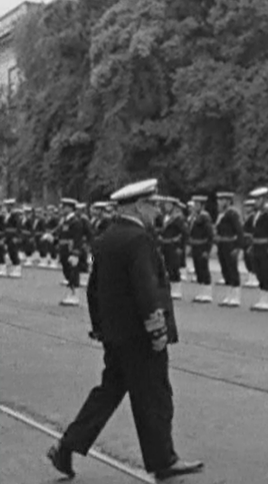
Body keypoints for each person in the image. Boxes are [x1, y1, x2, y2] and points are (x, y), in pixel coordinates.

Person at [47, 179, 203, 481]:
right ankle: (163, 461)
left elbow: (93, 289)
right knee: (155, 397)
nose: (155, 210)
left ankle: (66, 447)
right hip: (141, 337)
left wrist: (100, 328)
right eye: (151, 205)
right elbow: (146, 288)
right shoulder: (139, 240)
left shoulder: (105, 238)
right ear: (137, 206)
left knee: (106, 395)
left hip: (116, 336)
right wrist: (157, 330)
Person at [215, 191, 244, 307]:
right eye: (219, 200)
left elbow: (239, 231)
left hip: (230, 244)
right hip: (222, 244)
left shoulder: (232, 214)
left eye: (222, 200)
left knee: (232, 269)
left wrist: (238, 247)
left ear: (227, 201)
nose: (220, 203)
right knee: (225, 269)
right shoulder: (221, 215)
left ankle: (236, 296)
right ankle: (229, 295)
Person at [159, 197, 189, 300]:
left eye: (168, 205)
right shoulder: (166, 217)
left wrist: (181, 247)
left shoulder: (178, 218)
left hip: (174, 245)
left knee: (174, 267)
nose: (165, 207)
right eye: (165, 205)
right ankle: (171, 289)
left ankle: (177, 290)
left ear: (173, 206)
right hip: (166, 245)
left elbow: (185, 233)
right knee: (168, 267)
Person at [188, 196, 215, 303]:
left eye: (197, 205)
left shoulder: (205, 217)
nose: (195, 207)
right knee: (198, 269)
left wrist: (207, 250)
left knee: (204, 269)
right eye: (194, 204)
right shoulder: (195, 217)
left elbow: (210, 235)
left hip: (202, 246)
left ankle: (207, 293)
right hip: (196, 246)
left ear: (202, 206)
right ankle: (201, 292)